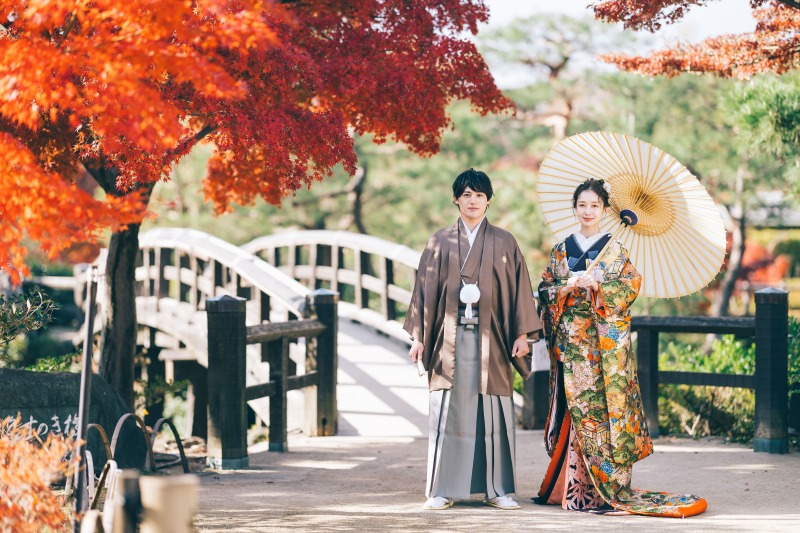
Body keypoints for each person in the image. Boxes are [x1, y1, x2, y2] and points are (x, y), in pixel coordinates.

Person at [534, 178, 707, 517]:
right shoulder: (560, 250)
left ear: (604, 211)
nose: (588, 211)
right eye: (582, 205)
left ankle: (603, 491)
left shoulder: (615, 250)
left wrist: (598, 286)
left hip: (602, 352)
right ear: (574, 208)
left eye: (594, 206)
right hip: (570, 348)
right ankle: (572, 489)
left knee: (602, 417)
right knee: (573, 414)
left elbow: (629, 288)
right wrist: (566, 287)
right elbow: (544, 289)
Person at [403, 168, 542, 511]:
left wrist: (523, 334)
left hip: (492, 340)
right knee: (448, 411)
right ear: (456, 199)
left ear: (488, 200)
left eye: (479, 195)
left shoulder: (505, 242)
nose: (473, 201)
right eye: (466, 194)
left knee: (493, 410)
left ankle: (498, 490)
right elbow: (423, 291)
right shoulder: (439, 241)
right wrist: (419, 338)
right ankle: (442, 489)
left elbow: (520, 289)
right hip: (447, 340)